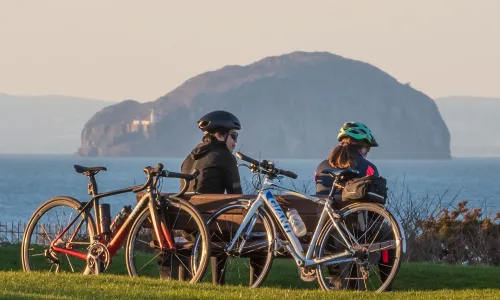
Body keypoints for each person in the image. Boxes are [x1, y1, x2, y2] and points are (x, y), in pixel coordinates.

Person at [314, 122, 394, 291]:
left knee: (338, 233)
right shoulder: (369, 168)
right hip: (354, 231)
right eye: (367, 148)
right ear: (362, 147)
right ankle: (387, 286)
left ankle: (337, 281)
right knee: (388, 234)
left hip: (320, 231)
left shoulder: (321, 166)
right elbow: (375, 207)